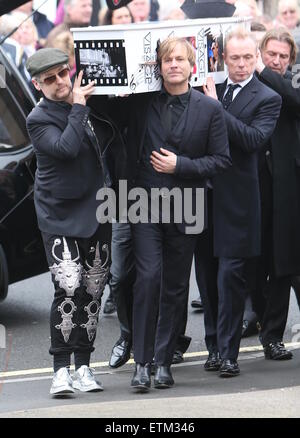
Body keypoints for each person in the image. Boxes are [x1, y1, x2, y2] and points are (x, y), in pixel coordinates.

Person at [91, 36, 231, 390]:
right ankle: (143, 362)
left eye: (180, 59)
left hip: (187, 205)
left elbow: (221, 160)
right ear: (159, 66)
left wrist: (180, 165)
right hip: (143, 202)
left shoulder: (210, 110)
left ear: (192, 66)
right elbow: (101, 112)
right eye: (167, 59)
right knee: (148, 278)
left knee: (175, 286)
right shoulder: (140, 103)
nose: (174, 65)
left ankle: (164, 362)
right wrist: (111, 90)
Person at [25, 48, 126, 396]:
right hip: (59, 214)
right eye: (49, 79)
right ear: (38, 85)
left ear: (70, 71)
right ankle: (60, 371)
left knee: (94, 289)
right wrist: (79, 107)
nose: (59, 83)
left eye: (62, 74)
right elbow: (66, 148)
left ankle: (83, 366)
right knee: (68, 287)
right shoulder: (38, 118)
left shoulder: (88, 103)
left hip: (97, 207)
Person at [202, 27, 282, 377]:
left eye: (248, 57)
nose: (241, 64)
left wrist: (216, 108)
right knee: (205, 277)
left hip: (239, 200)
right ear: (223, 58)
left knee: (230, 279)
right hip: (203, 195)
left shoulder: (267, 97)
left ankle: (229, 353)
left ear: (257, 57)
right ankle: (213, 347)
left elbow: (251, 140)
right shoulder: (209, 87)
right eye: (234, 58)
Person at [253, 27, 300, 360]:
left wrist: (264, 70)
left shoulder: (288, 83)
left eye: (284, 57)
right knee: (258, 266)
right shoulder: (248, 82)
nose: (278, 61)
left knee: (287, 264)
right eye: (272, 55)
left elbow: (294, 99)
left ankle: (272, 336)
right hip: (253, 187)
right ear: (261, 52)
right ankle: (265, 331)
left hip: (287, 187)